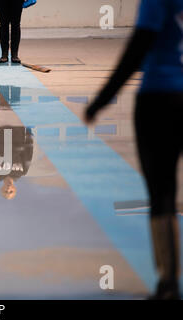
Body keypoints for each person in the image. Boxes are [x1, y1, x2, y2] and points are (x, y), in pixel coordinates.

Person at [85, 0, 183, 300]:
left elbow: (140, 44)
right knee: (168, 190)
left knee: (161, 192)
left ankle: (168, 283)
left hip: (159, 98)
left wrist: (103, 98)